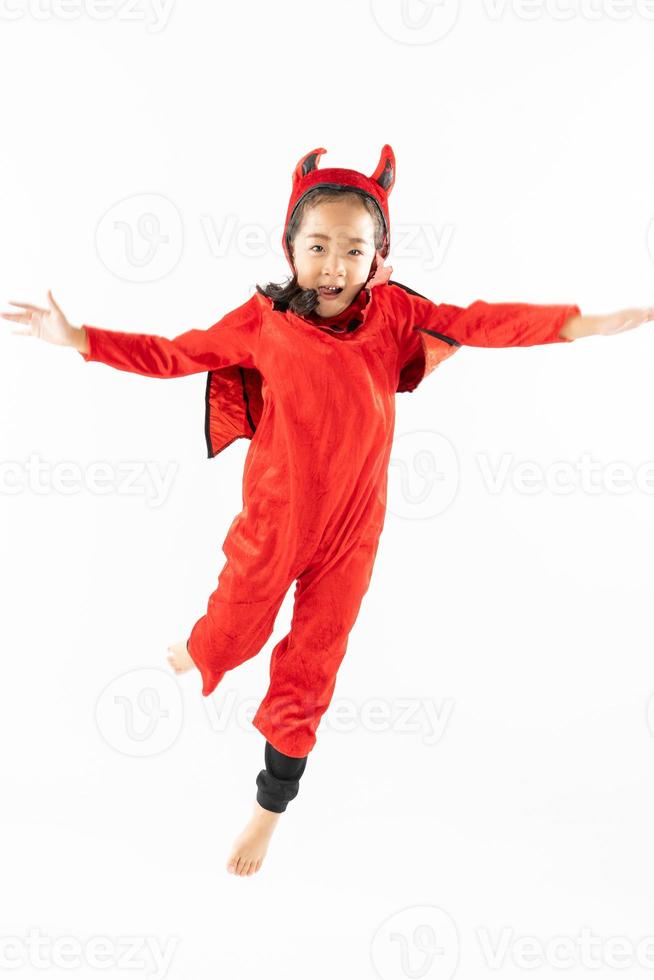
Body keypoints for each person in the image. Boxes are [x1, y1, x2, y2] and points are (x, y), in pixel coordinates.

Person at [4, 144, 654, 878]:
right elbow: (173, 353)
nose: (335, 266)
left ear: (379, 256)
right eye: (319, 247)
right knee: (232, 633)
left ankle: (267, 810)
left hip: (353, 532)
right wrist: (82, 339)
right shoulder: (262, 321)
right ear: (290, 248)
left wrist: (581, 325)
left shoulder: (397, 314)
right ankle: (203, 649)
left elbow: (478, 322)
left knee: (312, 670)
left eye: (354, 249)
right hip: (276, 521)